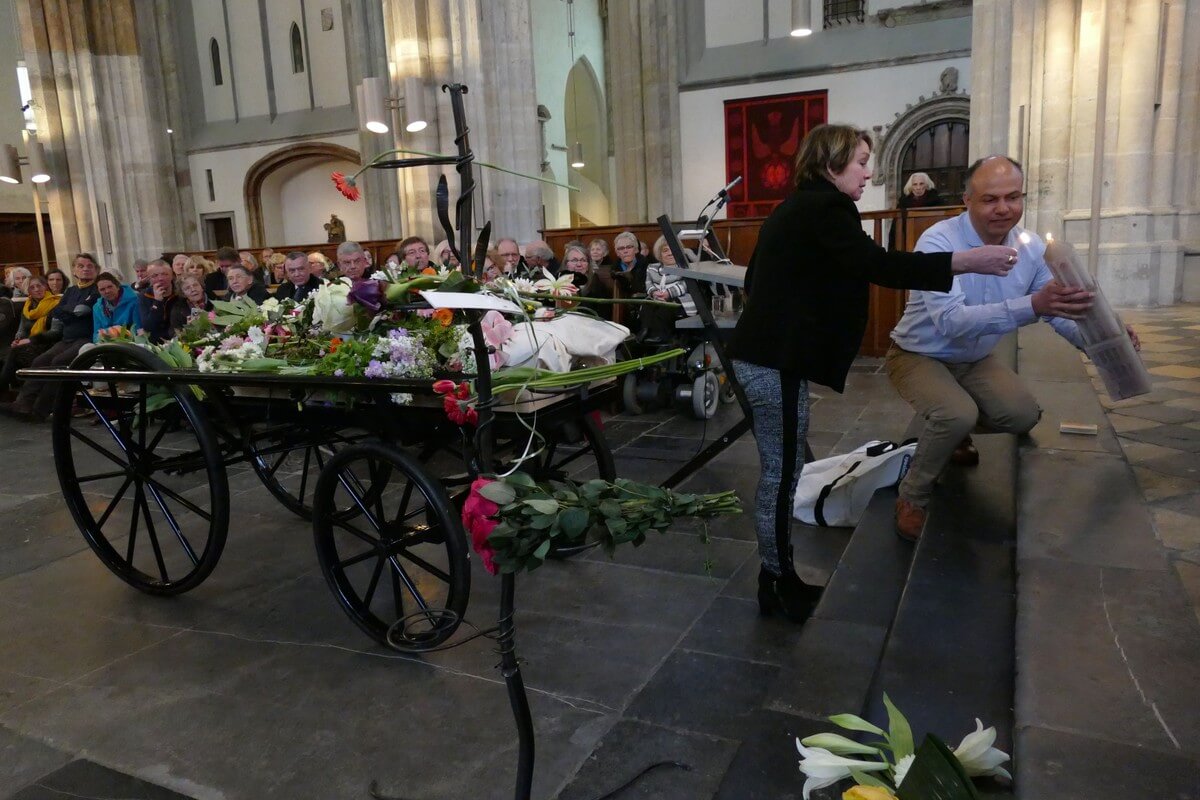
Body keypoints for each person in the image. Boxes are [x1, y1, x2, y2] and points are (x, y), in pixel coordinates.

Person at [727, 124, 1019, 624]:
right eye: (861, 162)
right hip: (772, 363)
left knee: (784, 469)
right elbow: (878, 265)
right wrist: (966, 260)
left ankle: (777, 579)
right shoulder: (824, 207)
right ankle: (776, 584)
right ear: (831, 163)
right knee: (780, 476)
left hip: (768, 357)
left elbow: (758, 280)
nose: (869, 173)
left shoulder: (799, 207)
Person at [885, 155, 1138, 540]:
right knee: (956, 414)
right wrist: (1032, 305)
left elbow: (1056, 311)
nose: (1004, 209)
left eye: (1013, 197)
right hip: (918, 354)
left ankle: (953, 432)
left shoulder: (1030, 246)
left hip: (973, 359)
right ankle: (913, 495)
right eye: (990, 199)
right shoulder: (939, 241)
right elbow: (950, 322)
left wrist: (1104, 341)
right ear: (967, 199)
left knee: (1023, 416)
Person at [0, 253, 104, 421]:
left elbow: (82, 310)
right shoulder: (71, 291)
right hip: (67, 337)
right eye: (81, 266)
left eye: (89, 266)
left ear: (97, 270)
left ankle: (41, 410)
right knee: (40, 361)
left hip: (86, 337)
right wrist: (70, 312)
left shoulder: (97, 289)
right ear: (74, 270)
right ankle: (23, 404)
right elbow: (58, 312)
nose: (85, 269)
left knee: (58, 363)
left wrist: (68, 312)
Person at [0, 275, 60, 395]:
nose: (37, 289)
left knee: (15, 353)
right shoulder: (28, 306)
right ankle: (11, 393)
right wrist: (18, 339)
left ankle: (4, 391)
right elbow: (21, 329)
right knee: (13, 350)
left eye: (39, 286)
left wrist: (29, 341)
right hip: (29, 344)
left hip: (48, 343)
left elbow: (55, 332)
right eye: (32, 287)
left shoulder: (56, 303)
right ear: (29, 291)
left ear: (45, 286)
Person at [641, 236, 697, 342]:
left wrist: (668, 293)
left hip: (680, 301)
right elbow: (648, 284)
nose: (670, 253)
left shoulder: (686, 268)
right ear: (659, 254)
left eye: (672, 249)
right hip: (657, 298)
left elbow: (685, 285)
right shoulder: (652, 268)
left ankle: (661, 336)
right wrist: (654, 293)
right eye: (665, 250)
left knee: (665, 307)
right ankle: (646, 331)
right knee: (646, 305)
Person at [888, 171, 945, 251]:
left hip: (931, 242)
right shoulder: (903, 203)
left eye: (921, 184)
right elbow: (895, 229)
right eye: (915, 184)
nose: (918, 187)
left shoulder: (937, 202)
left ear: (927, 185)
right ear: (911, 187)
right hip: (908, 242)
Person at [139, 260, 186, 343]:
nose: (160, 278)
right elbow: (148, 327)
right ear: (149, 278)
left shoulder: (181, 292)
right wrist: (157, 301)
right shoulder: (144, 295)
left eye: (165, 274)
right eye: (155, 276)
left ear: (172, 275)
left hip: (181, 339)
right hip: (156, 342)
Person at [91, 271, 142, 340]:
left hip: (130, 342)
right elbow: (96, 335)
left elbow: (139, 329)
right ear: (99, 292)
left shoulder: (135, 300)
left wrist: (118, 333)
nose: (107, 291)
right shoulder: (96, 308)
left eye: (110, 287)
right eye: (102, 289)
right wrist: (106, 335)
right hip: (107, 344)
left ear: (118, 286)